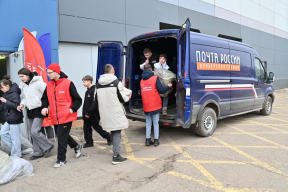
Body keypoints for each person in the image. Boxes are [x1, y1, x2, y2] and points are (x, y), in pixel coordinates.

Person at [41, 63, 83, 168]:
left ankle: (61, 160)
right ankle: (76, 146)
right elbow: (44, 98)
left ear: (56, 72)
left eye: (50, 73)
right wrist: (44, 106)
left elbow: (78, 99)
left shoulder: (68, 83)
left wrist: (72, 109)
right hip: (55, 116)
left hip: (66, 115)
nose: (48, 75)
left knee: (61, 138)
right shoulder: (49, 85)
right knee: (62, 135)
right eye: (47, 73)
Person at [91, 64, 130, 165]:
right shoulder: (116, 82)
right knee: (117, 133)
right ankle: (116, 156)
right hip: (115, 111)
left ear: (104, 72)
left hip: (105, 112)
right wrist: (128, 97)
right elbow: (122, 98)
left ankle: (115, 151)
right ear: (113, 71)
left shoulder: (98, 84)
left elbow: (95, 99)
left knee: (113, 131)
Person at [17, 68, 54, 160]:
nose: (21, 79)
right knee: (33, 133)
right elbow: (25, 98)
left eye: (22, 76)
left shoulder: (39, 83)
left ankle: (48, 145)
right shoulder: (24, 85)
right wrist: (22, 104)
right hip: (30, 110)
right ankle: (38, 152)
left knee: (34, 131)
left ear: (28, 75)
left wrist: (45, 106)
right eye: (20, 77)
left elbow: (48, 93)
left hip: (39, 109)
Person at [140, 64, 172, 146]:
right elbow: (161, 90)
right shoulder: (155, 78)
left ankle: (147, 140)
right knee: (155, 123)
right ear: (151, 70)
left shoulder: (142, 81)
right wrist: (168, 86)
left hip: (146, 104)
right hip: (154, 104)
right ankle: (156, 140)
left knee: (148, 123)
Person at [82, 75, 111, 148]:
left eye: (84, 82)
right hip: (87, 114)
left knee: (97, 128)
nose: (83, 83)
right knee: (86, 128)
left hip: (92, 114)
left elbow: (94, 103)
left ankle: (109, 137)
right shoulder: (87, 91)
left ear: (89, 81)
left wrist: (89, 112)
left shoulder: (94, 90)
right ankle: (89, 142)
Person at [0, 75, 23, 157]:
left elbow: (17, 106)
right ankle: (16, 149)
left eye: (2, 87)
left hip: (15, 117)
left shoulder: (14, 93)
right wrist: (4, 102)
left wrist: (5, 101)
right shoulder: (6, 93)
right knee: (2, 133)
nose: (1, 89)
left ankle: (16, 155)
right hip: (9, 117)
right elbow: (3, 106)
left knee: (15, 138)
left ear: (7, 86)